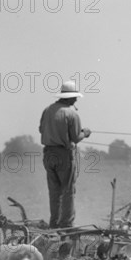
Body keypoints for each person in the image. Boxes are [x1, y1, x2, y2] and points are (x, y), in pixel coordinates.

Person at [39, 81, 91, 229]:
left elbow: (41, 129)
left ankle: (54, 223)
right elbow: (75, 137)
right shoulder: (71, 113)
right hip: (63, 155)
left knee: (54, 191)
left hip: (48, 154)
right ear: (69, 98)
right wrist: (85, 133)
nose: (76, 100)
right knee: (68, 191)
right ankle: (66, 225)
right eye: (75, 97)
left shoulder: (47, 110)